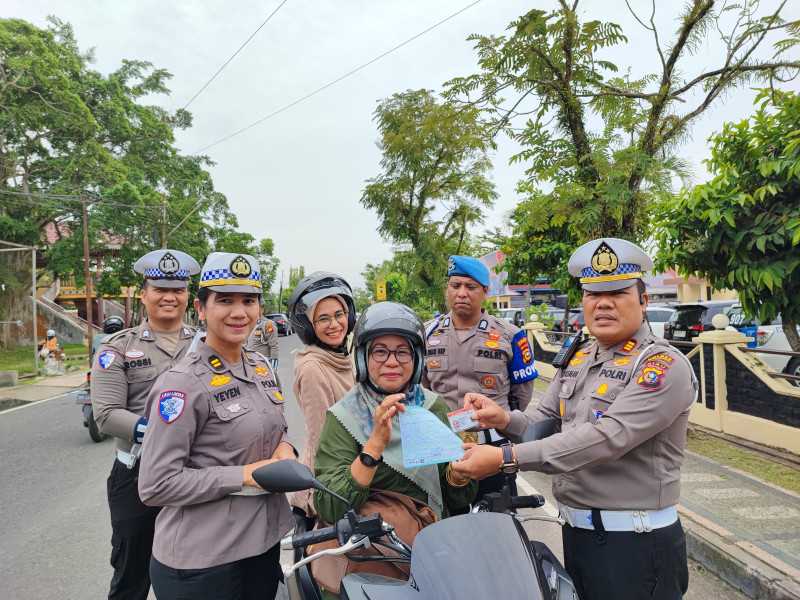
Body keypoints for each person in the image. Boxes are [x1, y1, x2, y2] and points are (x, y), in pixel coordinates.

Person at [452, 238, 697, 600]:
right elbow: (545, 418)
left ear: (643, 301)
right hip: (577, 536)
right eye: (592, 294)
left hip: (635, 546)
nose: (603, 303)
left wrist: (506, 458)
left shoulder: (661, 365)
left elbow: (608, 437)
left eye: (618, 292)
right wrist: (502, 418)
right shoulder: (579, 356)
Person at [138, 252, 296, 600]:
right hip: (203, 562)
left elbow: (276, 430)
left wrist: (286, 449)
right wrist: (245, 475)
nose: (239, 312)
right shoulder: (181, 383)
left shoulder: (260, 367)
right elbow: (155, 484)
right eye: (225, 300)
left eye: (249, 301)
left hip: (263, 544)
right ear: (201, 307)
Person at [313, 301, 477, 535]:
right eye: (380, 351)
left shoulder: (432, 407)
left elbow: (460, 498)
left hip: (435, 539)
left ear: (416, 359)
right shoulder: (345, 417)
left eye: (402, 351)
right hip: (375, 549)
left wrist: (460, 474)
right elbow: (330, 506)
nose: (392, 361)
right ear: (362, 358)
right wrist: (374, 446)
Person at [91, 249, 200, 600]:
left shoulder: (206, 343)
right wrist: (162, 434)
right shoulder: (117, 346)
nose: (169, 296)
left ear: (188, 296)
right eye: (159, 289)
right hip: (136, 475)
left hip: (196, 474)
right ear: (145, 294)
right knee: (132, 577)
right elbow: (107, 414)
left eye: (178, 289)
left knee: (196, 573)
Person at [422, 255, 537, 500]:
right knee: (443, 522)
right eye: (456, 286)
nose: (462, 293)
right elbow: (421, 388)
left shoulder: (510, 335)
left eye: (471, 287)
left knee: (498, 520)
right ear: (447, 290)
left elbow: (522, 394)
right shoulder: (427, 333)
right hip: (442, 447)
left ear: (485, 291)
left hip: (492, 448)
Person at [286, 272, 357, 517]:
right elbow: (321, 441)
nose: (335, 324)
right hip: (328, 487)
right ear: (309, 326)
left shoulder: (344, 357)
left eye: (339, 315)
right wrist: (324, 502)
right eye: (323, 318)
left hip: (353, 473)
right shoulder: (313, 368)